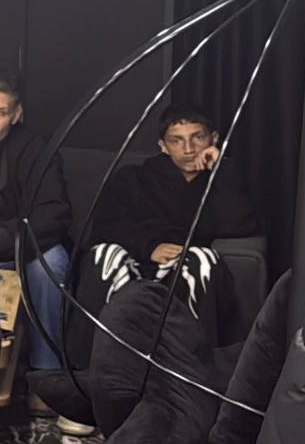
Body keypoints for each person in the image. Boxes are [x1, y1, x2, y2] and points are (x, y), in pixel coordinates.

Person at [0, 66, 86, 432]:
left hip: (18, 254)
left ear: (16, 114)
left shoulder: (35, 151)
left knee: (49, 262)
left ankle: (45, 380)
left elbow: (53, 216)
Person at [87, 106, 261, 346]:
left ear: (214, 139)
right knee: (104, 254)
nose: (189, 149)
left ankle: (194, 360)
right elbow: (105, 226)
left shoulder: (221, 181)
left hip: (185, 268)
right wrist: (150, 247)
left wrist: (221, 171)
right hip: (135, 259)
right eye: (176, 141)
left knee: (204, 260)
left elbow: (241, 226)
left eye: (197, 137)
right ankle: (97, 357)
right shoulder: (132, 179)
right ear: (163, 146)